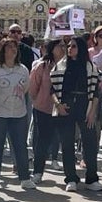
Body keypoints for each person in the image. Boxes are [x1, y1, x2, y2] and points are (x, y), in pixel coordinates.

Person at [51, 35, 102, 193]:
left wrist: (93, 111)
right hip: (65, 105)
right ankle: (71, 178)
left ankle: (92, 178)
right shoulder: (60, 66)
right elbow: (52, 89)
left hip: (84, 104)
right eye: (69, 46)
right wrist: (58, 105)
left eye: (73, 46)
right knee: (67, 144)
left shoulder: (90, 66)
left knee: (90, 143)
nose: (70, 49)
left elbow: (95, 91)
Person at [0, 38, 32, 189]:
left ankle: (25, 178)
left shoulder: (23, 69)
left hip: (18, 114)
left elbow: (26, 89)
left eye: (15, 47)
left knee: (20, 146)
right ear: (2, 51)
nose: (13, 49)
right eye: (9, 47)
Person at [28, 39, 64, 181]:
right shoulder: (42, 66)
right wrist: (38, 100)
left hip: (62, 109)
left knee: (61, 140)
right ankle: (37, 171)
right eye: (59, 46)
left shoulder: (68, 66)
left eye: (64, 46)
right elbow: (32, 87)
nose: (62, 48)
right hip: (43, 108)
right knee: (42, 140)